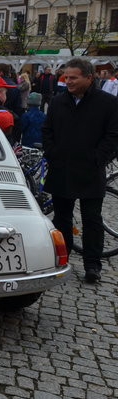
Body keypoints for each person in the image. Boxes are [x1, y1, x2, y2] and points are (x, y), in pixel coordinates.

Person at [42, 58, 118, 284]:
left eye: (73, 78)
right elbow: (47, 130)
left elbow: (113, 136)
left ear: (89, 77)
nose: (68, 81)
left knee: (92, 220)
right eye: (66, 77)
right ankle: (62, 259)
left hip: (90, 171)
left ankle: (92, 265)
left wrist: (98, 158)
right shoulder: (58, 101)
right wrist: (53, 153)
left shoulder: (107, 103)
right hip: (62, 168)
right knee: (62, 218)